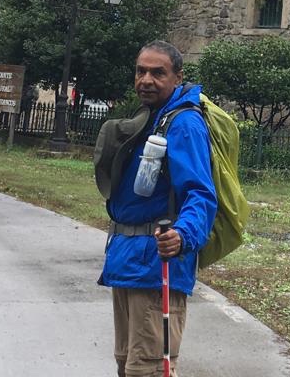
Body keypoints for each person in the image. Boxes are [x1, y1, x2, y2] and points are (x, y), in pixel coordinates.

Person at [95, 40, 217, 377]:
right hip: (128, 262)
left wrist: (183, 235)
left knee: (148, 370)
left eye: (158, 73)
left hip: (157, 266)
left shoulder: (184, 124)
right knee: (128, 365)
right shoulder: (151, 118)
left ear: (178, 77)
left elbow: (201, 194)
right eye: (141, 71)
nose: (146, 80)